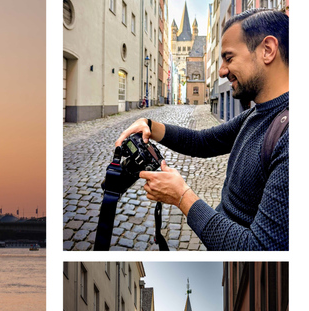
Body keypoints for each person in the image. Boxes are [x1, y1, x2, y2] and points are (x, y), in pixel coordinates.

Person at [115, 8, 288, 250]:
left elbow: (257, 249)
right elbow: (203, 142)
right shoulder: (256, 113)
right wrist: (150, 126)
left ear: (267, 50)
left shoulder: (289, 136)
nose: (222, 71)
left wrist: (182, 197)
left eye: (229, 58)